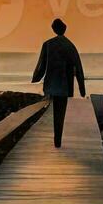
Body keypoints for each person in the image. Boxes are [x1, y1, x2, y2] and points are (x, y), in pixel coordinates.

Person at [31, 17, 86, 148]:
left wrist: (35, 79)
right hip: (65, 86)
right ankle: (58, 140)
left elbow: (41, 66)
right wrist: (82, 89)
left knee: (52, 112)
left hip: (51, 85)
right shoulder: (70, 45)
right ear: (64, 28)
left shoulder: (48, 44)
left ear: (54, 29)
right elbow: (78, 68)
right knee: (60, 112)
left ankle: (56, 139)